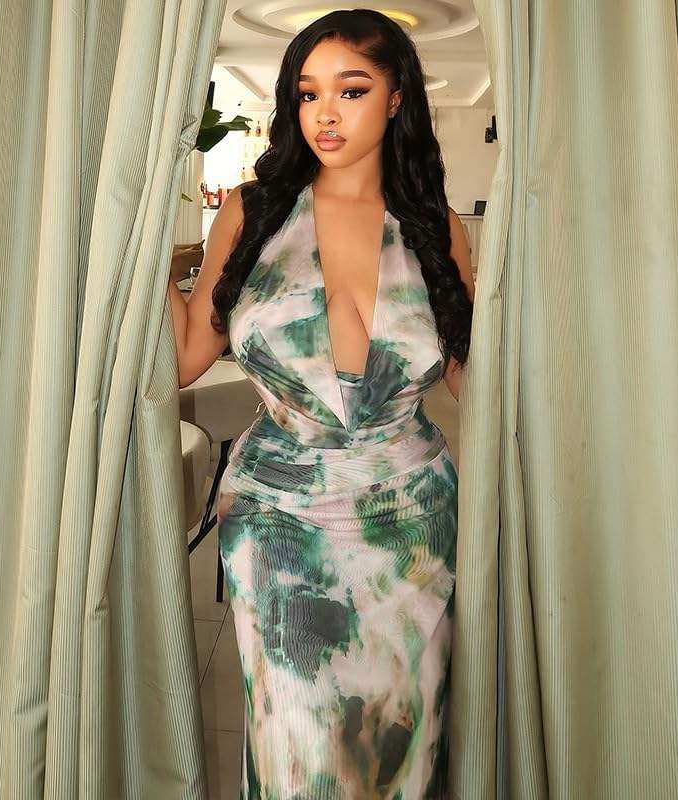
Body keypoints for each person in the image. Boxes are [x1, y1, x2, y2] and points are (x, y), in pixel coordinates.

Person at [168, 8, 474, 797]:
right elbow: (186, 358)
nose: (325, 114)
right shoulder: (253, 211)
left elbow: (473, 380)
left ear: (397, 98)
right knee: (298, 752)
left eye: (352, 90)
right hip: (281, 525)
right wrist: (138, 247)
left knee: (401, 747)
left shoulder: (435, 226)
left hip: (411, 527)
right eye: (308, 94)